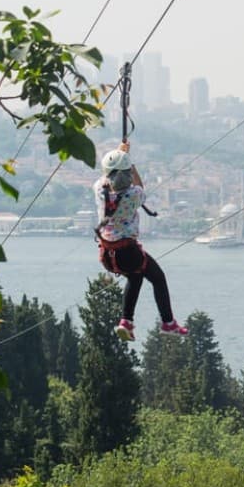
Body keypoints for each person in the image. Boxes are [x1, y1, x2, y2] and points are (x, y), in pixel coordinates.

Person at [94, 141, 187, 341]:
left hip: (107, 255)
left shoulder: (99, 191)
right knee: (158, 278)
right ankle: (168, 323)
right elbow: (139, 186)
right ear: (127, 173)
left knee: (135, 277)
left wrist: (120, 155)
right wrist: (130, 163)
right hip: (128, 252)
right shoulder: (133, 195)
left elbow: (108, 175)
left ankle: (126, 322)